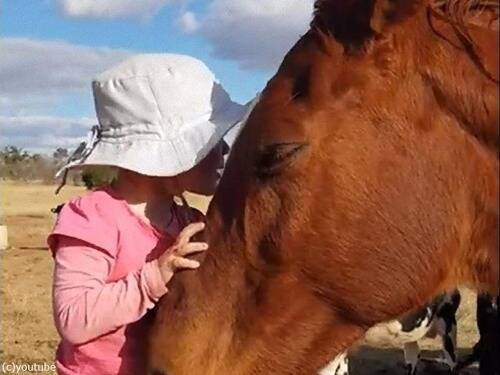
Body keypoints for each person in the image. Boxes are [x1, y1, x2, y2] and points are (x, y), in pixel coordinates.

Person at [47, 54, 248, 375]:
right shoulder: (92, 219)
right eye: (211, 142)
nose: (224, 151)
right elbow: (73, 320)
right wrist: (155, 275)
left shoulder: (191, 222)